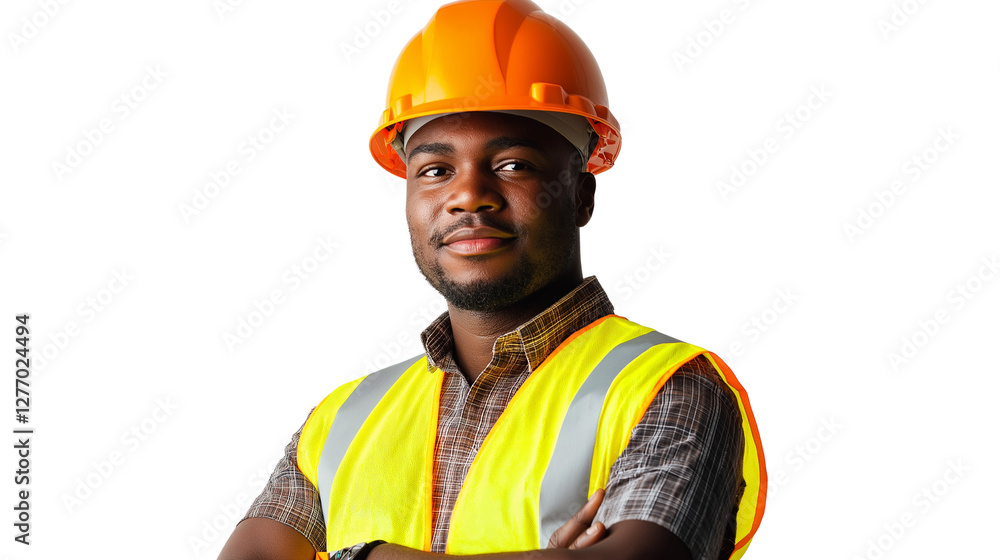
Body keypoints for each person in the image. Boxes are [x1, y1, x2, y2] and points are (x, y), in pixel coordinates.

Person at [219, 1, 766, 559]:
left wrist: (361, 557)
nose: (467, 196)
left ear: (581, 195)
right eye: (436, 170)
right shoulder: (342, 421)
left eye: (513, 165)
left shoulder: (668, 388)